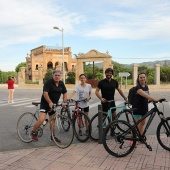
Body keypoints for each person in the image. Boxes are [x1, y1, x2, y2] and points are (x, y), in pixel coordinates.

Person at [31, 70, 67, 142]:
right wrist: (50, 102)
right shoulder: (48, 82)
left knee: (52, 121)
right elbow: (45, 94)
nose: (57, 77)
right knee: (41, 120)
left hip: (53, 105)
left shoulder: (61, 83)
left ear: (60, 76)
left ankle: (53, 137)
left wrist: (64, 101)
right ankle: (33, 133)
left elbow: (65, 93)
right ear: (53, 76)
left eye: (58, 75)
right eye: (55, 75)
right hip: (45, 104)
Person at [95, 68, 127, 136]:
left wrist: (125, 98)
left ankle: (112, 131)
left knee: (114, 117)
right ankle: (103, 134)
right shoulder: (101, 82)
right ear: (105, 73)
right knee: (103, 118)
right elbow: (96, 91)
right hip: (104, 102)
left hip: (112, 102)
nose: (109, 74)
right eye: (107, 73)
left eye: (110, 73)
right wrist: (101, 98)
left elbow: (119, 90)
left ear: (112, 74)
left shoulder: (114, 82)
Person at [132, 72, 161, 138]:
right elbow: (145, 95)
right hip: (137, 108)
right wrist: (155, 99)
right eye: (141, 77)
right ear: (138, 79)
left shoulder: (146, 86)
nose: (142, 79)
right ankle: (132, 140)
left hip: (144, 108)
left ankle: (141, 137)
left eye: (143, 77)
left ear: (146, 78)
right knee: (136, 125)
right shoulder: (137, 88)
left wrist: (151, 100)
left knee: (142, 124)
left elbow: (147, 96)